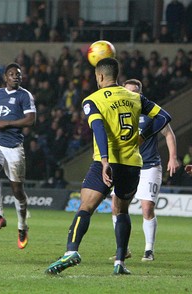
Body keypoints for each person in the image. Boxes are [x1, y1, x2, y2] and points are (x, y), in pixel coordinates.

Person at [45, 58, 172, 275]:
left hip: (108, 162)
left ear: (101, 76)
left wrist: (104, 160)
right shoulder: (135, 97)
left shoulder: (92, 100)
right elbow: (164, 117)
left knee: (86, 206)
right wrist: (142, 137)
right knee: (122, 211)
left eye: (96, 76)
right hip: (132, 164)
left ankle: (71, 251)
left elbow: (98, 129)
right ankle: (120, 263)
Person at [110, 79, 179, 262]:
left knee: (147, 207)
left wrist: (172, 157)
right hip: (125, 165)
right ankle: (122, 249)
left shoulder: (150, 111)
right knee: (115, 207)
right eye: (129, 91)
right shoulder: (118, 111)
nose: (133, 94)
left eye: (136, 91)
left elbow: (169, 133)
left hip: (149, 165)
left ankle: (149, 250)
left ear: (141, 93)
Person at [0, 62, 36, 249]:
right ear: (5, 77)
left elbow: (31, 119)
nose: (16, 76)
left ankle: (22, 227)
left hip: (13, 146)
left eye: (18, 74)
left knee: (17, 191)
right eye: (12, 74)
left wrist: (7, 124)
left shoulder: (25, 95)